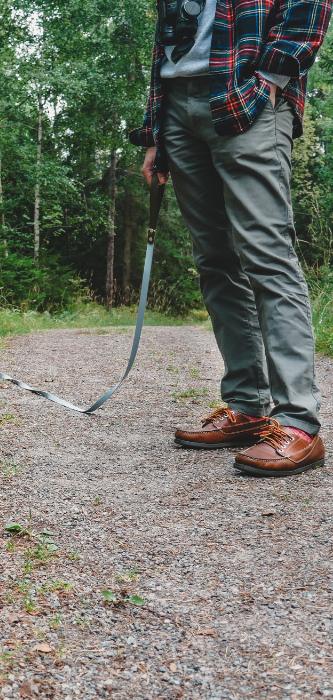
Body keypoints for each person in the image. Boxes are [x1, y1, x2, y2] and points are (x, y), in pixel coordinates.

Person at [129, 0, 332, 477]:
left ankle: (298, 423)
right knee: (215, 260)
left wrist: (272, 78)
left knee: (267, 254)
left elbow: (309, 9)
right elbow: (169, 35)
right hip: (179, 103)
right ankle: (246, 406)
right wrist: (156, 131)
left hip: (249, 95)